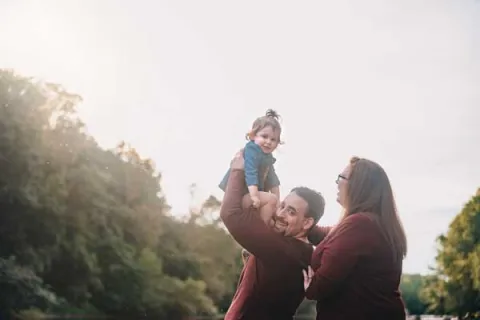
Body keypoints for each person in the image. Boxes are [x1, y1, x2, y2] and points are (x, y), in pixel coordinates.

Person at [220, 151, 330, 320]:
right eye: (282, 206)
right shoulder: (301, 250)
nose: (280, 214)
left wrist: (237, 171)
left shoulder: (282, 250)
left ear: (307, 223)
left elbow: (231, 214)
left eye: (291, 212)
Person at [303, 156, 408, 320]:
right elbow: (326, 235)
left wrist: (310, 285)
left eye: (341, 178)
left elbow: (320, 286)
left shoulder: (359, 224)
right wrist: (292, 220)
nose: (336, 183)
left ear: (359, 185)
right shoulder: (373, 223)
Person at [219, 109, 281, 223]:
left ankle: (266, 225)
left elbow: (273, 180)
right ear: (253, 136)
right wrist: (254, 196)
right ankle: (261, 228)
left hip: (250, 195)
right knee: (270, 200)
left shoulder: (267, 156)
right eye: (264, 136)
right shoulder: (251, 150)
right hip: (240, 195)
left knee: (273, 207)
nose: (268, 142)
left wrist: (278, 202)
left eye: (273, 139)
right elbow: (250, 172)